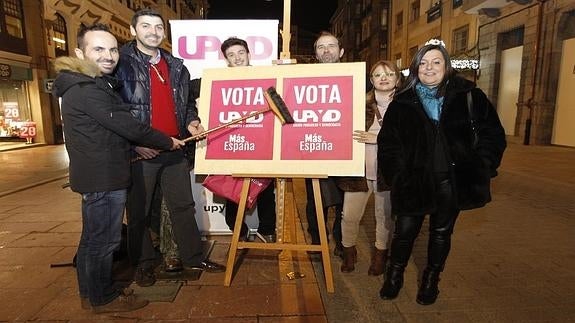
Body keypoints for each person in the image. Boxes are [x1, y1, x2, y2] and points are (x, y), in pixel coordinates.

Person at [52, 23, 184, 313]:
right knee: (104, 241)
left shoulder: (87, 83)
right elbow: (127, 125)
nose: (109, 55)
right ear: (79, 52)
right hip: (103, 178)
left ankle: (90, 293)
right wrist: (167, 140)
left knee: (92, 239)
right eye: (98, 49)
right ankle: (103, 298)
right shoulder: (87, 88)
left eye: (112, 49)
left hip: (97, 174)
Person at [377, 39, 506, 305]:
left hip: (453, 181)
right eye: (423, 63)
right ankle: (394, 275)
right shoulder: (402, 102)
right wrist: (398, 175)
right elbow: (389, 144)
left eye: (436, 62)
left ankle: (430, 280)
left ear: (447, 66)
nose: (429, 68)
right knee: (404, 232)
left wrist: (483, 164)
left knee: (440, 234)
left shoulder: (470, 96)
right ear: (415, 69)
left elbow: (493, 134)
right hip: (413, 182)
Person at [115, 8, 225, 287]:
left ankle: (193, 257)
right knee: (139, 211)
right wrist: (134, 144)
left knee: (183, 206)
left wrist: (192, 122)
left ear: (164, 33)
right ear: (133, 30)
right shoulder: (121, 63)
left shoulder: (177, 65)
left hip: (175, 148)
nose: (153, 32)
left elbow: (186, 104)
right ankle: (144, 264)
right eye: (146, 26)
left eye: (158, 27)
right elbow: (116, 111)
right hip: (143, 152)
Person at [337, 60, 400, 275]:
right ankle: (348, 252)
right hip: (358, 172)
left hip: (387, 173)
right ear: (371, 80)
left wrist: (379, 138)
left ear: (397, 79)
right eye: (378, 74)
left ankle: (380, 256)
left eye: (389, 74)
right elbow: (341, 130)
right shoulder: (357, 103)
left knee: (384, 216)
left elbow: (410, 138)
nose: (384, 78)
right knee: (349, 215)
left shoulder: (405, 106)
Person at [219, 37, 277, 242]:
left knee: (265, 191)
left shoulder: (266, 77)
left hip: (262, 146)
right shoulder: (219, 81)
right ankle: (240, 234)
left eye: (240, 52)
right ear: (226, 59)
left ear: (248, 54)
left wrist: (281, 72)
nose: (237, 58)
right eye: (231, 55)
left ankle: (268, 231)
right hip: (233, 146)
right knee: (232, 193)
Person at [305, 31, 345, 256]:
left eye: (331, 46)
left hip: (345, 150)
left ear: (340, 51)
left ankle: (341, 241)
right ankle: (318, 240)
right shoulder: (306, 79)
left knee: (344, 202)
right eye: (321, 47)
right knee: (315, 200)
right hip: (314, 148)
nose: (326, 50)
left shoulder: (355, 79)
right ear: (316, 53)